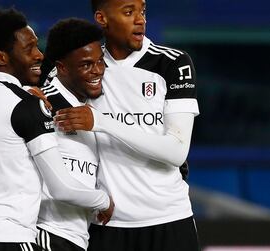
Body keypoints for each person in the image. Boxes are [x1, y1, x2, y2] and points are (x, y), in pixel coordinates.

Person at [0, 8, 113, 251]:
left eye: (37, 46)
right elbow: (61, 188)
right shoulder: (27, 104)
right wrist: (103, 200)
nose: (39, 55)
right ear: (1, 57)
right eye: (29, 49)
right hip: (7, 237)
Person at [54, 0, 201, 250]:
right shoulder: (86, 64)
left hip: (170, 219)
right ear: (102, 19)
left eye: (142, 11)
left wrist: (100, 122)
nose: (140, 19)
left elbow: (176, 152)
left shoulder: (173, 64)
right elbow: (45, 97)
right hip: (107, 224)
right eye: (128, 12)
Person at [34, 18, 113, 251]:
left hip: (77, 236)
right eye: (86, 65)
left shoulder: (94, 108)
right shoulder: (40, 104)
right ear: (62, 67)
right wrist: (104, 202)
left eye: (100, 62)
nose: (97, 70)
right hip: (45, 232)